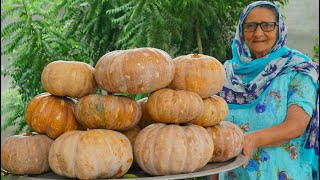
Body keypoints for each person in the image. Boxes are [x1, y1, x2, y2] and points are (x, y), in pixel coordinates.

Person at [216, 1, 319, 180]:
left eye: (267, 25)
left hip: (280, 173)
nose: (258, 33)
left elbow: (296, 126)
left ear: (279, 29)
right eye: (250, 26)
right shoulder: (225, 74)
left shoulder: (298, 69)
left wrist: (253, 139)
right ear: (241, 30)